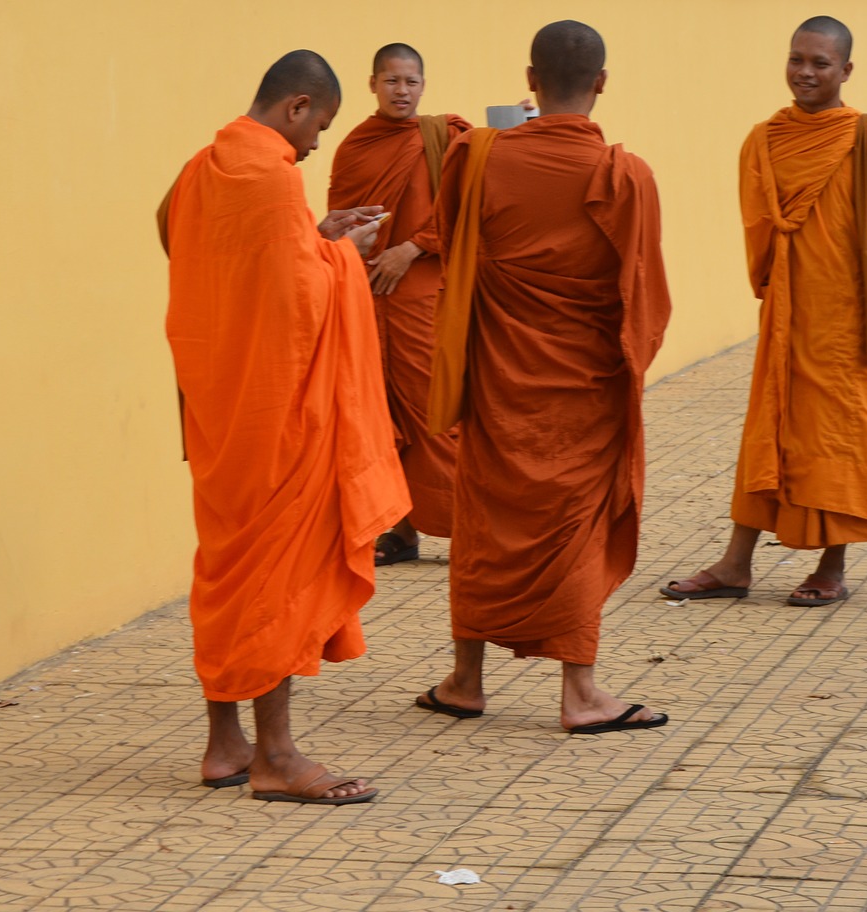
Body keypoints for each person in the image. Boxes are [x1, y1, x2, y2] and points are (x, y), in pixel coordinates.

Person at [160, 50, 410, 804]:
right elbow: (301, 299)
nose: (315, 146)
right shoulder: (273, 176)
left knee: (226, 564)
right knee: (275, 574)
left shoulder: (205, 165)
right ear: (297, 106)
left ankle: (223, 744)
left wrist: (311, 233)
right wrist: (342, 251)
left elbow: (179, 234)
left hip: (219, 404)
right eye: (319, 128)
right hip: (277, 419)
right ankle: (275, 756)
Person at [416, 20, 672, 734]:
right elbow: (646, 302)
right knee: (574, 526)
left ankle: (466, 679)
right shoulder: (627, 177)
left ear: (530, 81)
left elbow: (450, 243)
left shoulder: (477, 156)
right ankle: (580, 693)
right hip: (581, 390)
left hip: (499, 379)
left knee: (484, 519)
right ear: (601, 83)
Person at [660, 16, 867, 607]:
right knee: (770, 429)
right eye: (796, 59)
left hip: (852, 321)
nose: (804, 72)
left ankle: (832, 566)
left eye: (820, 63)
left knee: (841, 437)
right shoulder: (765, 138)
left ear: (845, 71)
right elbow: (758, 224)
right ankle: (736, 563)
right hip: (787, 313)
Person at [327, 44, 472, 566]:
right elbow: (338, 217)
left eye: (411, 82)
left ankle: (470, 527)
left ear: (424, 85)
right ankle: (401, 529)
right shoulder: (355, 146)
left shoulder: (445, 138)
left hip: (421, 298)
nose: (402, 92)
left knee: (434, 413)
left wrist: (409, 250)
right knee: (380, 417)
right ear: (372, 85)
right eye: (391, 81)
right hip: (366, 300)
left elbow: (466, 206)